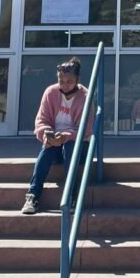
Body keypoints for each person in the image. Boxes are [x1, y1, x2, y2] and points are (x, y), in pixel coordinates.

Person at [21, 57, 94, 214]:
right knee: (47, 148)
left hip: (78, 145)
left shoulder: (85, 96)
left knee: (69, 146)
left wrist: (65, 137)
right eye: (61, 81)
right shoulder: (50, 93)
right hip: (55, 143)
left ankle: (71, 195)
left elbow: (86, 129)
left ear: (77, 80)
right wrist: (47, 134)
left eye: (69, 82)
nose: (65, 86)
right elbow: (41, 120)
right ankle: (33, 196)